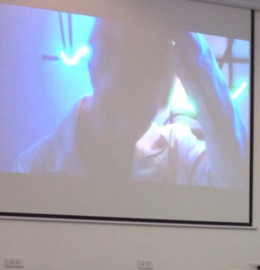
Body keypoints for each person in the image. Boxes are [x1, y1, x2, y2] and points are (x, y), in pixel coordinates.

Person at [15, 19, 248, 189]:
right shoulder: (32, 165)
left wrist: (180, 23)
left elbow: (237, 180)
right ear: (93, 67)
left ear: (161, 103)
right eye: (117, 105)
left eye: (142, 112)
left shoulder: (179, 151)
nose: (125, 124)